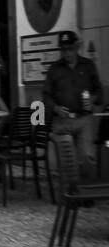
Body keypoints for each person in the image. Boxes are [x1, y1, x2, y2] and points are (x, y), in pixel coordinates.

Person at [43, 30, 103, 180]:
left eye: (70, 48)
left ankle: (87, 193)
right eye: (63, 49)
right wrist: (56, 108)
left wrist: (93, 98)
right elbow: (46, 95)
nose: (67, 53)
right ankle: (70, 196)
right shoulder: (54, 69)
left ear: (77, 47)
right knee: (67, 162)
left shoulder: (88, 66)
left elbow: (99, 90)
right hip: (62, 121)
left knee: (87, 157)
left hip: (83, 119)